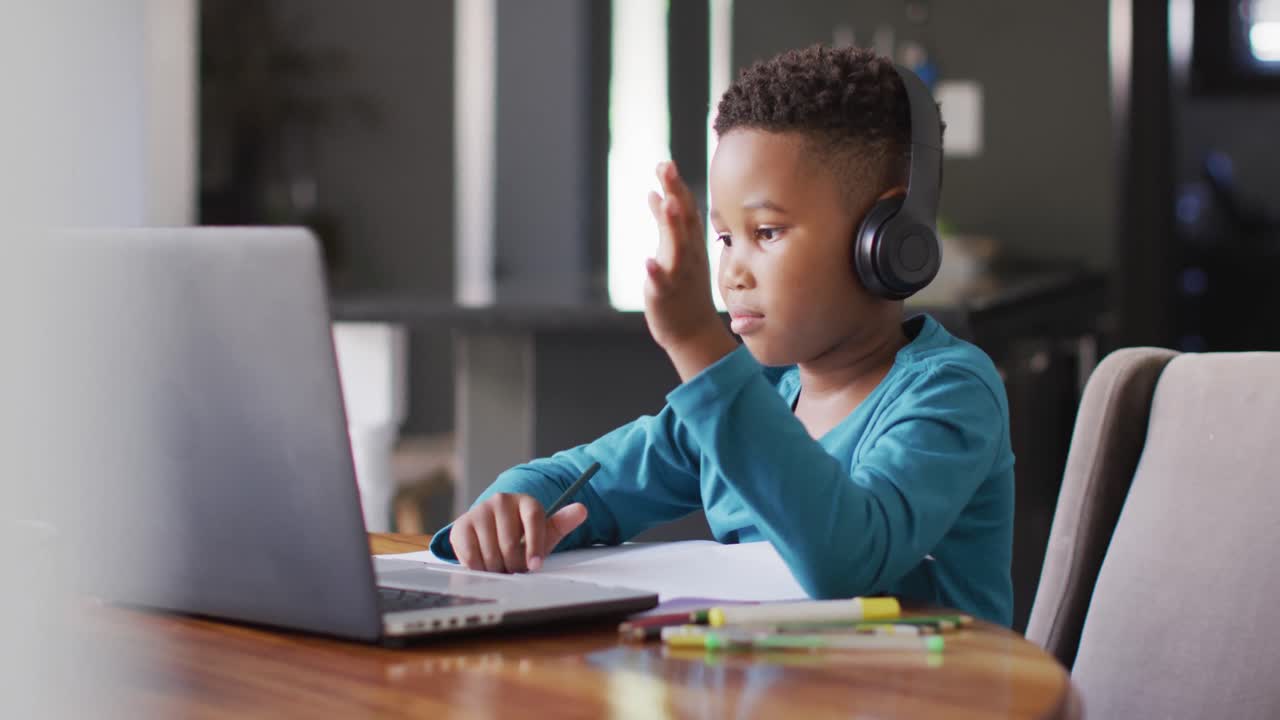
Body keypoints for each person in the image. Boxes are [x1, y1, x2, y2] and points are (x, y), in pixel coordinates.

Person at [430, 45, 1015, 625]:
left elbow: (846, 561)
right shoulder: (763, 391)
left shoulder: (948, 395)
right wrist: (510, 506)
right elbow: (583, 485)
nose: (732, 273)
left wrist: (698, 345)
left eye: (765, 232)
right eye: (724, 239)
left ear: (886, 238)